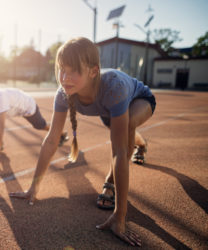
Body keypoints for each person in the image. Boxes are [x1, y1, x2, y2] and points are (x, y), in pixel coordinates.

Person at [9, 37, 156, 246]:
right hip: (110, 109)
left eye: (73, 71)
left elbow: (119, 153)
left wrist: (120, 217)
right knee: (121, 132)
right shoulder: (63, 93)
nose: (65, 78)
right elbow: (52, 140)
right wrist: (33, 187)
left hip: (139, 100)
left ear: (93, 71)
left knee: (127, 130)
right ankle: (142, 144)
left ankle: (110, 181)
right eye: (61, 70)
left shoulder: (114, 88)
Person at [0, 69, 69, 168]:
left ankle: (60, 133)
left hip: (28, 107)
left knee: (40, 126)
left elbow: (1, 126)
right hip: (14, 108)